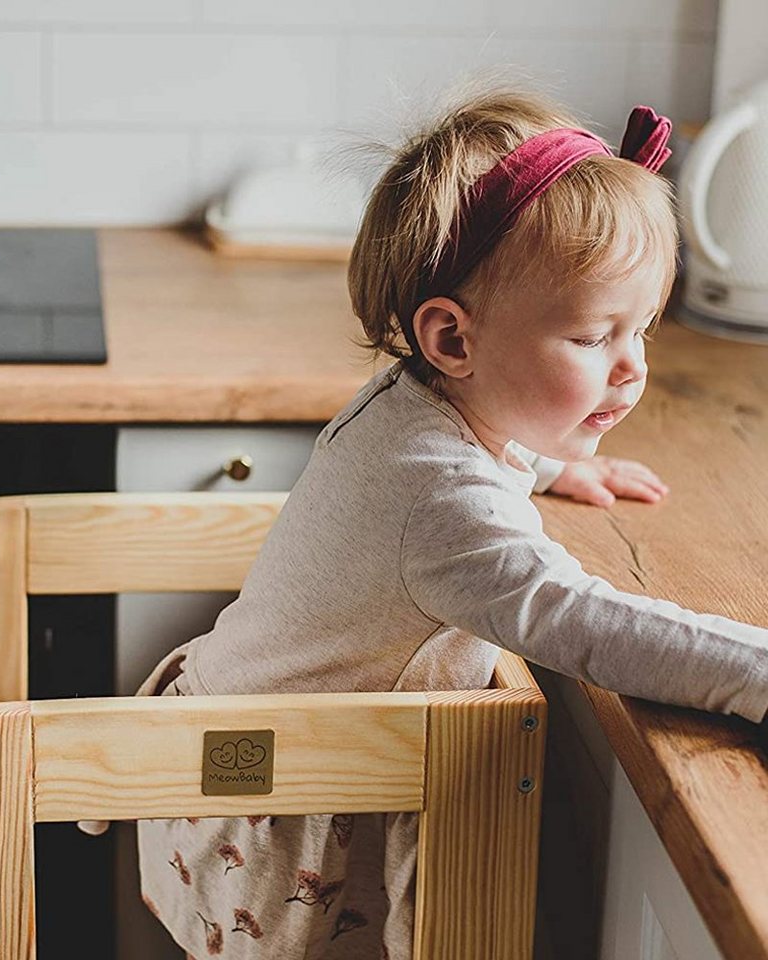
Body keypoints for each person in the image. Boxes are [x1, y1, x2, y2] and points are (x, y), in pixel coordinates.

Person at [132, 77, 768, 960]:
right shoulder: (439, 504)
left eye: (643, 329)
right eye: (594, 338)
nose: (632, 370)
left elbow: (467, 459)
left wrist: (549, 463)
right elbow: (576, 617)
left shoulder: (415, 402)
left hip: (228, 756)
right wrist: (752, 669)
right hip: (275, 804)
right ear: (454, 340)